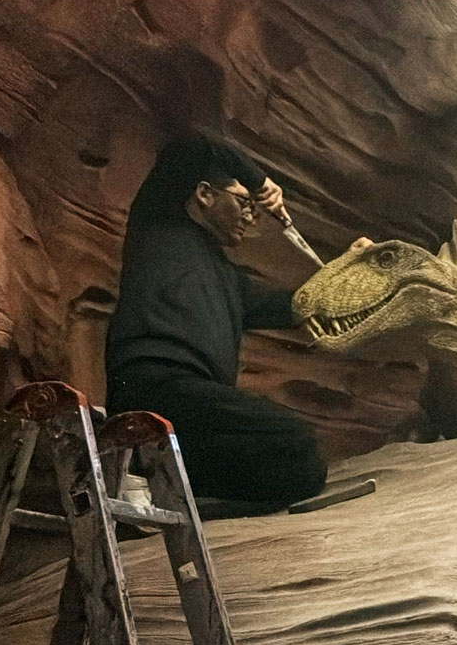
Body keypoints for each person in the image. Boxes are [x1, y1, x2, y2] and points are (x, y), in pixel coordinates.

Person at [105, 133, 327, 506]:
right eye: (243, 202)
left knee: (304, 465)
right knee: (293, 439)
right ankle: (148, 478)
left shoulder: (229, 278)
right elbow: (189, 145)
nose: (251, 214)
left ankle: (164, 488)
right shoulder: (159, 221)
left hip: (199, 403)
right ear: (205, 195)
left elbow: (295, 305)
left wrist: (349, 279)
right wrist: (259, 181)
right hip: (153, 386)